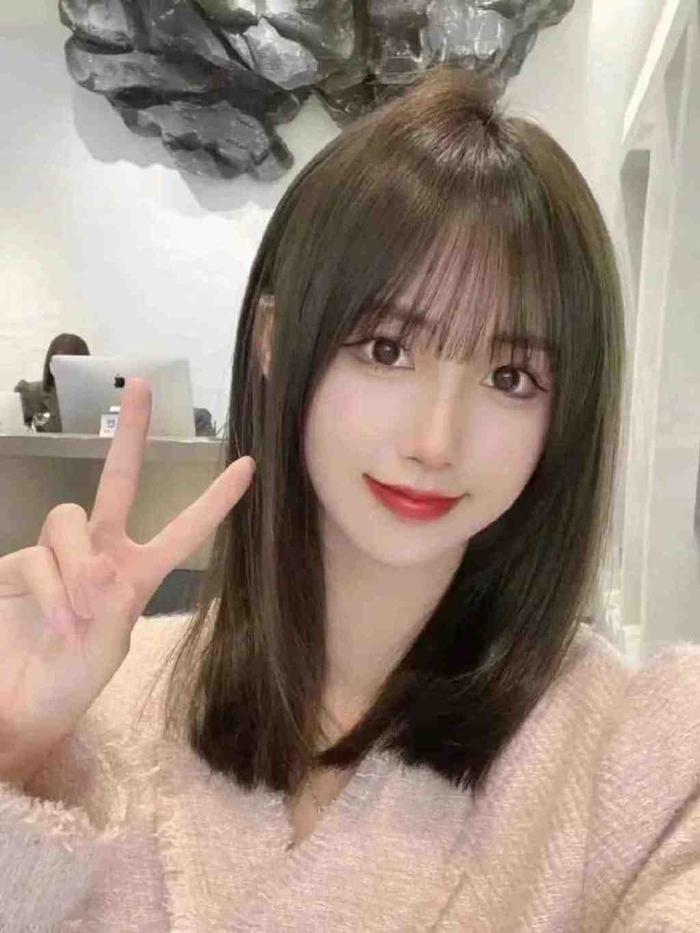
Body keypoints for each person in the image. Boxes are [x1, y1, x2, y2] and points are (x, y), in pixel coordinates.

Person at [0, 66, 698, 931]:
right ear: (275, 340)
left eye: (510, 375)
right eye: (388, 349)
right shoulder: (102, 698)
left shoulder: (644, 757)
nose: (435, 440)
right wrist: (13, 751)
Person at [13, 332, 90, 432]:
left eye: (73, 365)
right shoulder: (30, 395)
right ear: (50, 365)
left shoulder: (97, 399)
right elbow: (15, 434)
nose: (66, 370)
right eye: (61, 364)